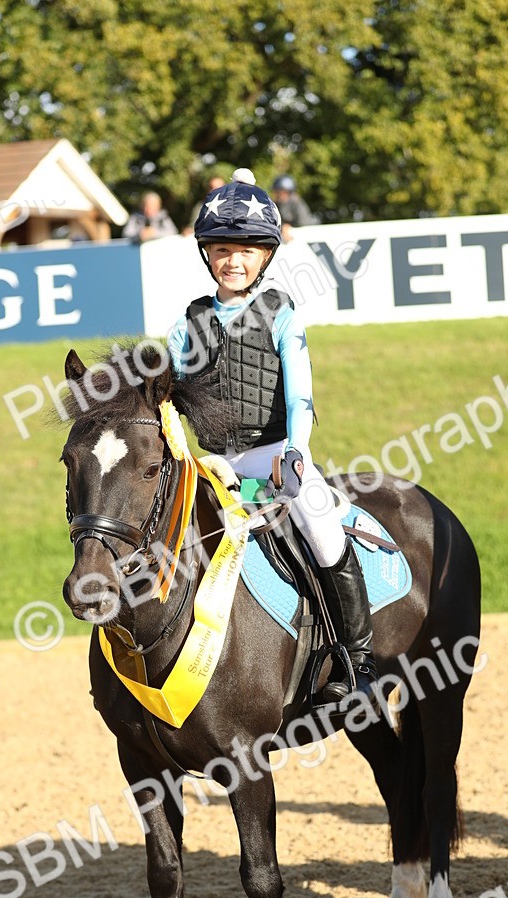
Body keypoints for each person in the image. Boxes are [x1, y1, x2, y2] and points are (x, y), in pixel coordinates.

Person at [167, 168, 377, 703]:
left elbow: (299, 396)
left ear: (265, 256)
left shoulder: (282, 313)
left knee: (319, 516)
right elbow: (163, 396)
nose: (232, 260)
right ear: (206, 254)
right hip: (212, 465)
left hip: (271, 457)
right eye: (221, 249)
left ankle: (358, 659)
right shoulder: (186, 324)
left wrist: (296, 454)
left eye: (245, 249)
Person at [272, 174, 315, 242]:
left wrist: (287, 226)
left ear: (286, 192)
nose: (275, 195)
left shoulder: (296, 203)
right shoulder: (277, 204)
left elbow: (303, 222)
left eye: (278, 192)